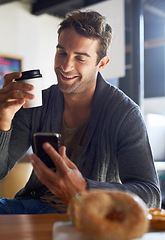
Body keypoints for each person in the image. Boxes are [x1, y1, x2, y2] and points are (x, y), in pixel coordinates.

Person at [0, 10, 161, 214]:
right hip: (32, 204)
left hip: (87, 212)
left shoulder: (124, 114)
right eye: (62, 53)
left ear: (101, 64)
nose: (66, 66)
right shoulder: (38, 103)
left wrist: (85, 188)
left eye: (81, 58)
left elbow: (151, 196)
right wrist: (3, 120)